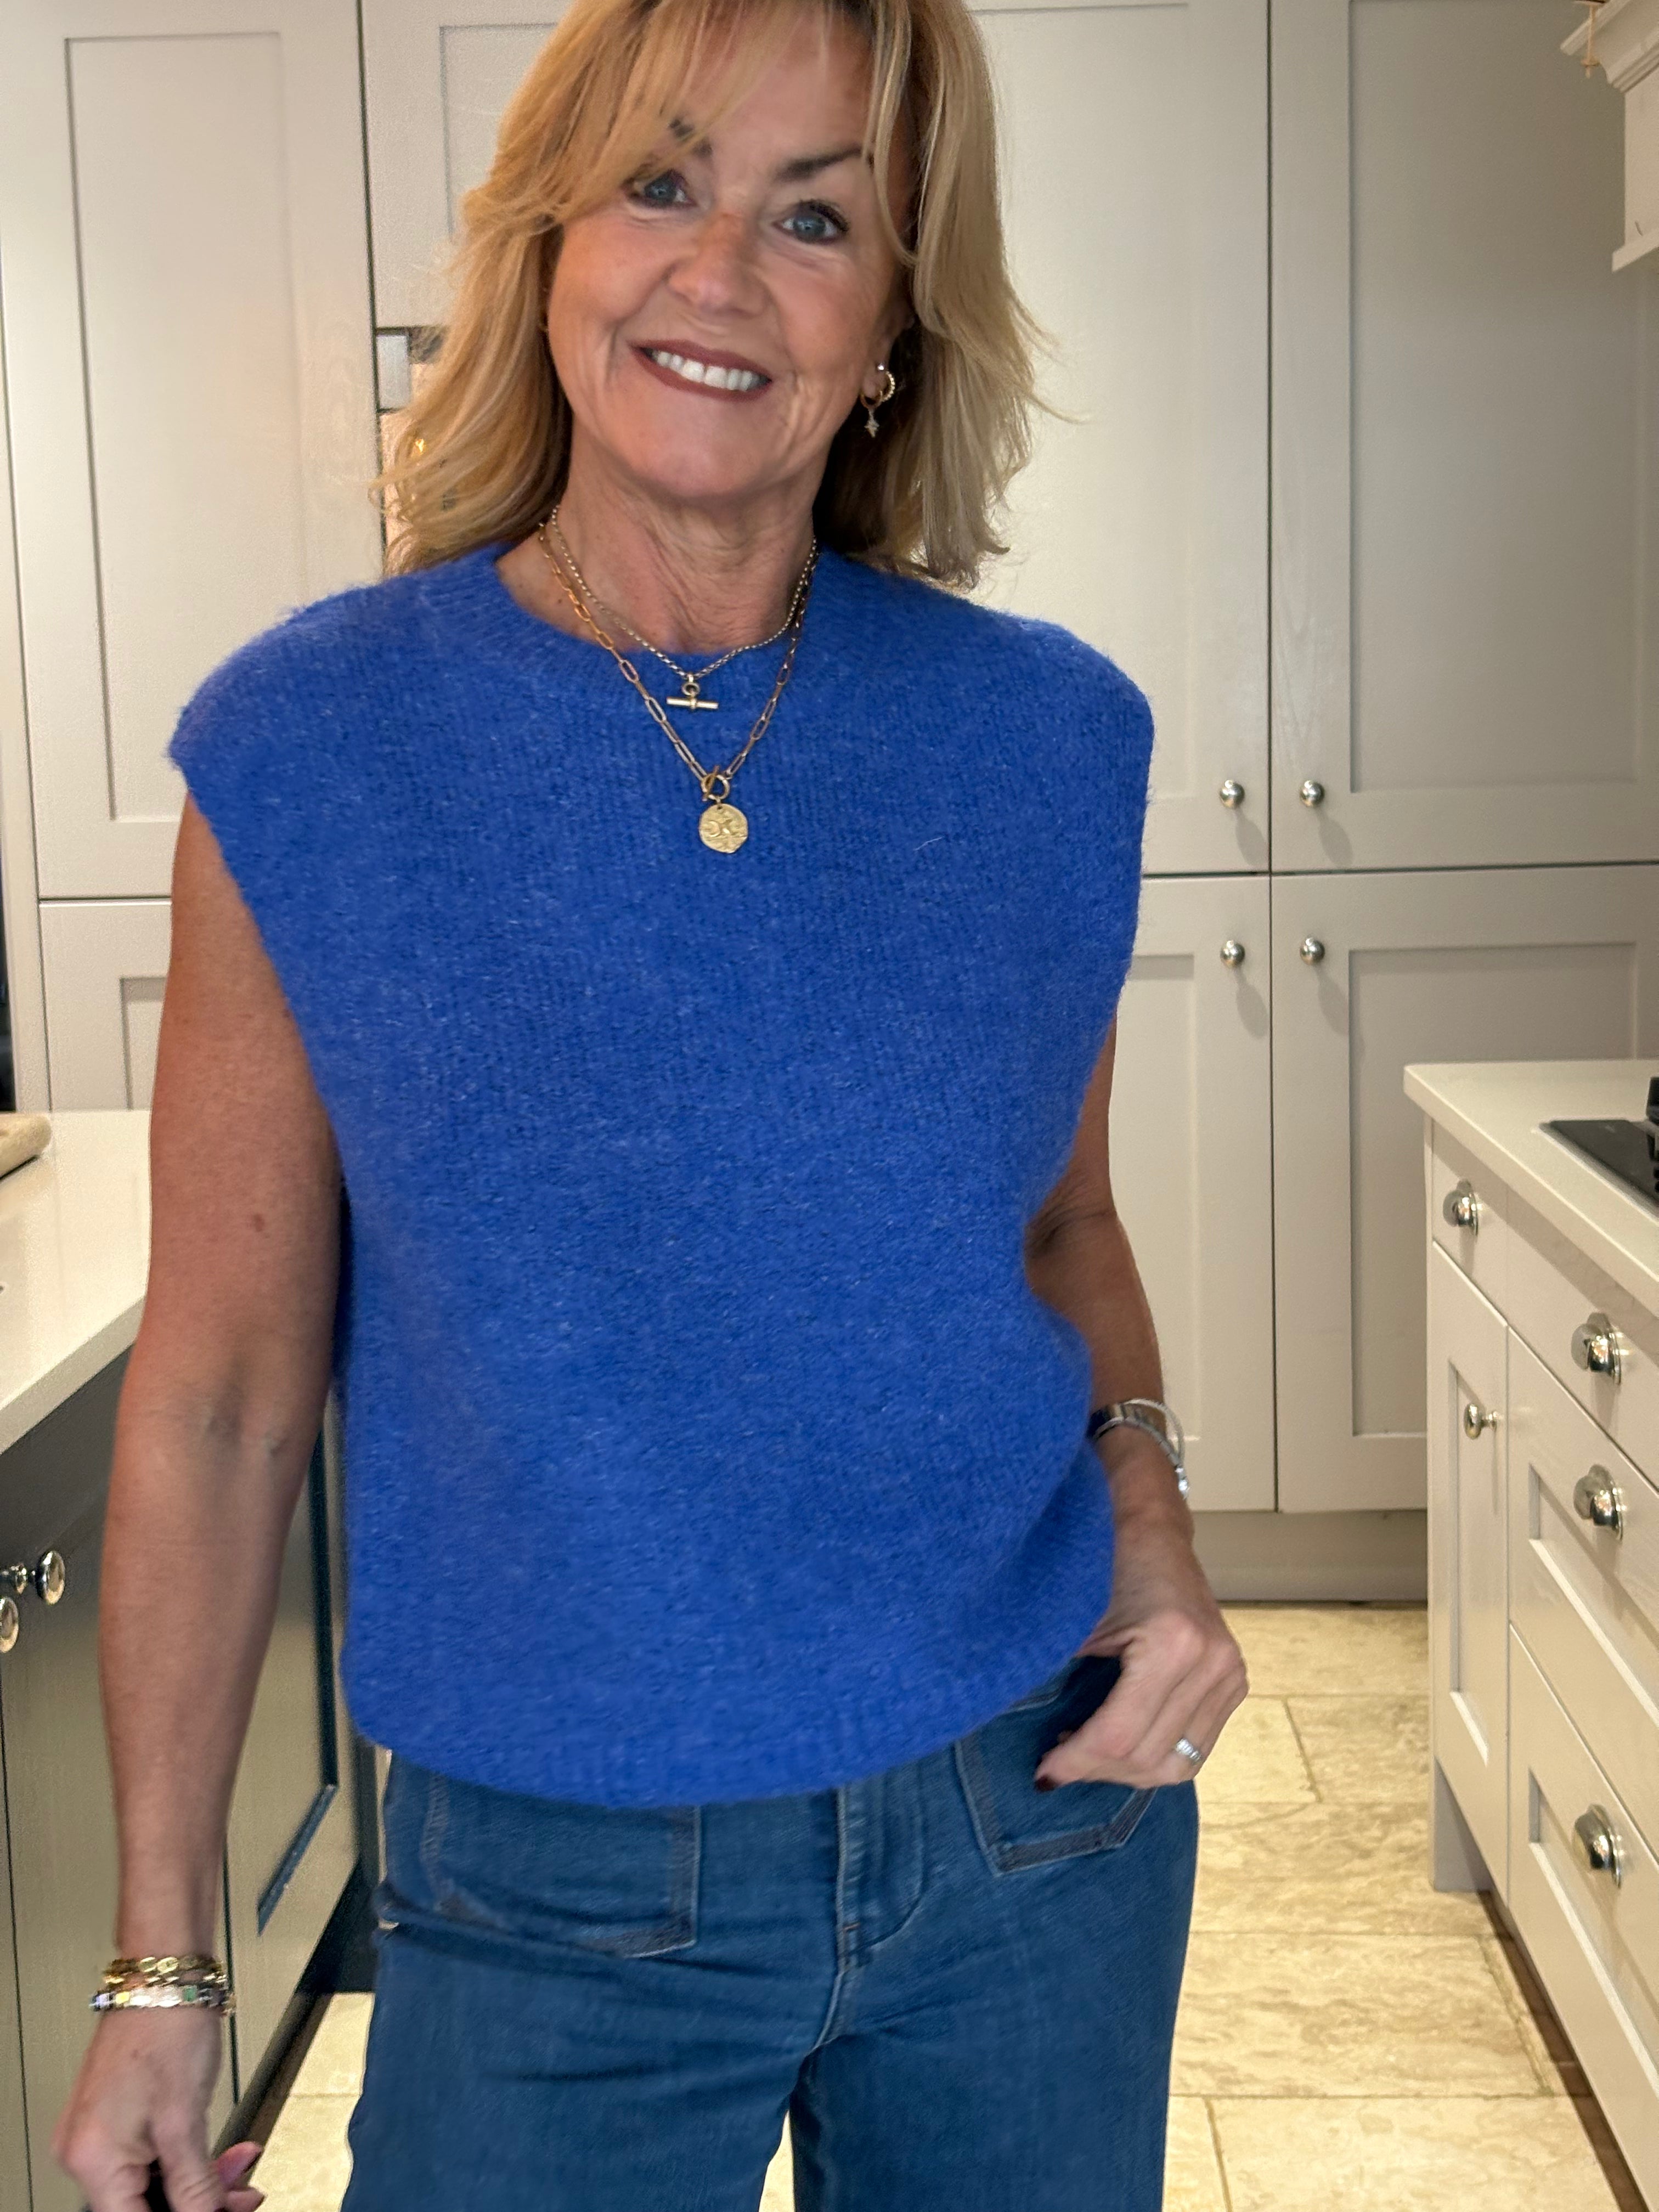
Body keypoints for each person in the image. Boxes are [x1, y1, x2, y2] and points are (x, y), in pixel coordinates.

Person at [55, 0, 1248, 2203]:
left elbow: (1057, 1231)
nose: (720, 272)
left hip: (1033, 1830)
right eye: (661, 184)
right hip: (553, 1891)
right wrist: (162, 1967)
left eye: (818, 217)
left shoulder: (1045, 739)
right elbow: (218, 1397)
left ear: (892, 326)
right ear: (548, 249)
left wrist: (1154, 1524)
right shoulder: (310, 752)